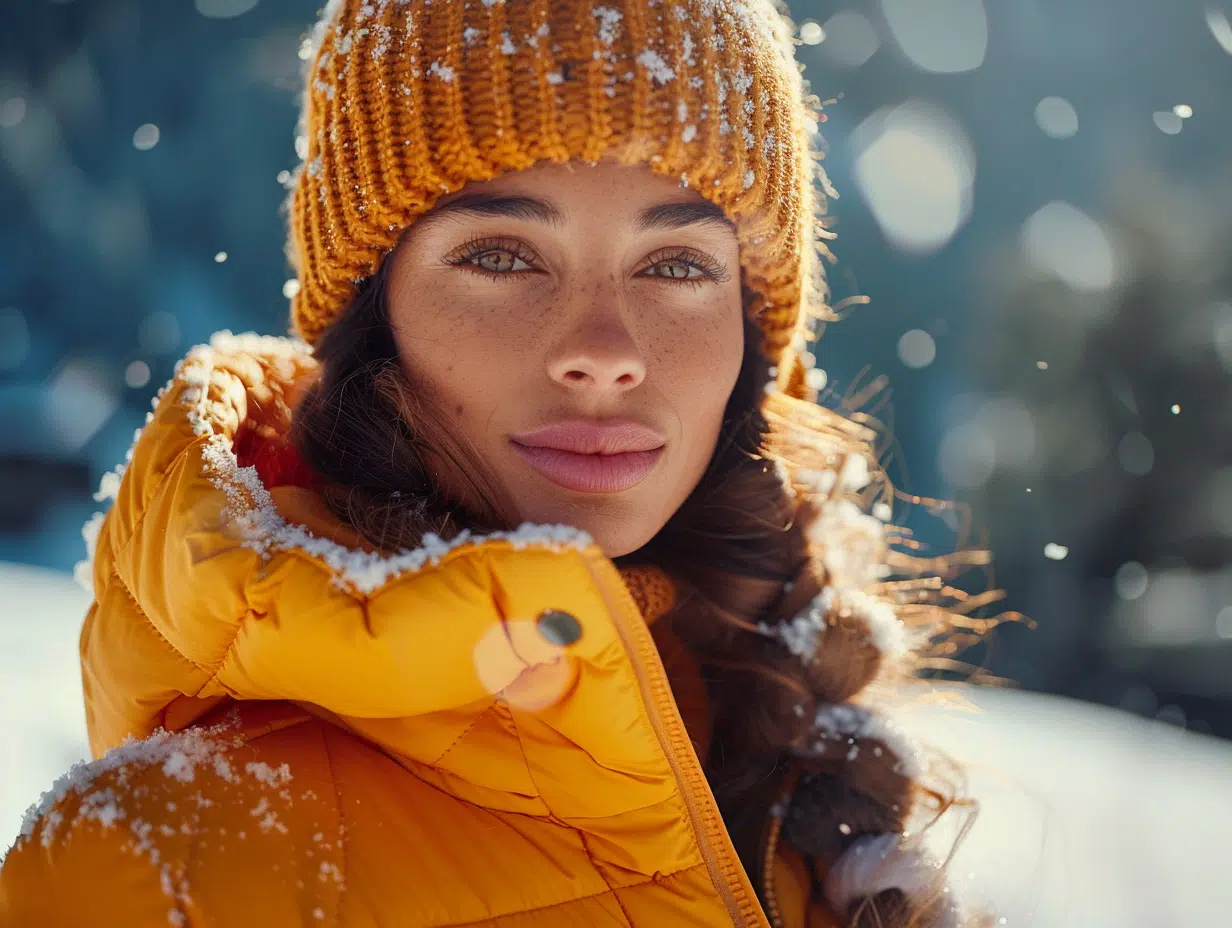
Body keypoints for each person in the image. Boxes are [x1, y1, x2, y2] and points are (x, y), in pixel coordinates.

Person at [0, 0, 985, 925]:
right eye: (501, 257)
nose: (604, 346)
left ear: (753, 338)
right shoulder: (158, 864)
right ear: (370, 315)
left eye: (676, 265)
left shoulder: (803, 786)